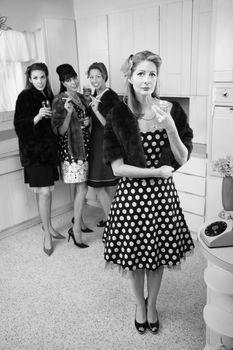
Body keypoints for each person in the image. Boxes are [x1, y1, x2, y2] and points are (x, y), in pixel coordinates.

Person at [102, 51, 195, 334]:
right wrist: (155, 173)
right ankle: (139, 306)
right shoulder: (118, 114)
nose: (146, 80)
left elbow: (182, 158)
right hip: (132, 198)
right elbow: (118, 169)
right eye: (140, 73)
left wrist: (170, 129)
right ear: (129, 78)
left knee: (157, 258)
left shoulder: (172, 110)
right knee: (134, 259)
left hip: (162, 200)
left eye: (152, 74)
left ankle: (151, 304)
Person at [14, 62, 64, 257]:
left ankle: (48, 226)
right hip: (34, 154)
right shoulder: (24, 97)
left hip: (48, 152)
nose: (40, 81)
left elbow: (53, 127)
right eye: (35, 78)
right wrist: (36, 117)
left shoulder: (49, 96)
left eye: (42, 77)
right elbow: (20, 127)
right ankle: (46, 236)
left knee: (46, 193)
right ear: (29, 79)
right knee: (43, 193)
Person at [52, 64, 91, 249]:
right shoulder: (59, 100)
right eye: (68, 80)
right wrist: (68, 114)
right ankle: (75, 229)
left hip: (86, 148)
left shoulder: (81, 97)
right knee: (82, 187)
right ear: (62, 82)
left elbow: (85, 121)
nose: (73, 82)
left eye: (74, 77)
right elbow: (60, 131)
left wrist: (87, 121)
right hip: (72, 151)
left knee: (80, 187)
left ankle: (80, 220)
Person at [86, 62, 120, 227]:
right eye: (91, 77)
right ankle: (110, 219)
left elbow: (112, 125)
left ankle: (113, 224)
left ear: (105, 76)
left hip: (106, 145)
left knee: (102, 186)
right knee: (105, 186)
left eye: (98, 76)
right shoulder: (94, 94)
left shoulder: (111, 97)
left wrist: (97, 111)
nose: (94, 80)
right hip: (96, 143)